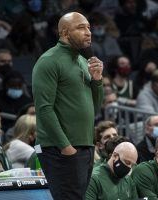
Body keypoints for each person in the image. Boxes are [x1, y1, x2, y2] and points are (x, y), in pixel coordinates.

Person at [32, 12, 104, 200]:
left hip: (85, 146)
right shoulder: (49, 61)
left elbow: (94, 108)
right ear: (64, 33)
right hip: (60, 148)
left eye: (88, 27)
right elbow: (44, 109)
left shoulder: (82, 60)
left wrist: (97, 81)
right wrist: (66, 147)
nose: (88, 32)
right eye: (81, 28)